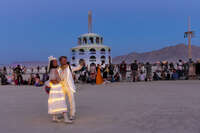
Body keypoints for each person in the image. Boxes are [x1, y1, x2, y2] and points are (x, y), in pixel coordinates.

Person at [58, 56, 84, 121]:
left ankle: (72, 114)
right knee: (62, 101)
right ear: (60, 61)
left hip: (69, 86)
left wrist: (81, 64)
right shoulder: (58, 68)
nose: (64, 61)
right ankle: (63, 113)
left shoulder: (69, 67)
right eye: (63, 60)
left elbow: (77, 68)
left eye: (65, 60)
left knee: (71, 101)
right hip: (61, 87)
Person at [47, 57, 69, 123]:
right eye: (55, 62)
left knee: (55, 102)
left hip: (54, 89)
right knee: (62, 102)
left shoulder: (53, 69)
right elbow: (52, 80)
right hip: (57, 88)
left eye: (56, 62)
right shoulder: (54, 70)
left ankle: (54, 117)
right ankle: (66, 118)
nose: (56, 63)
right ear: (52, 63)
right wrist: (60, 82)